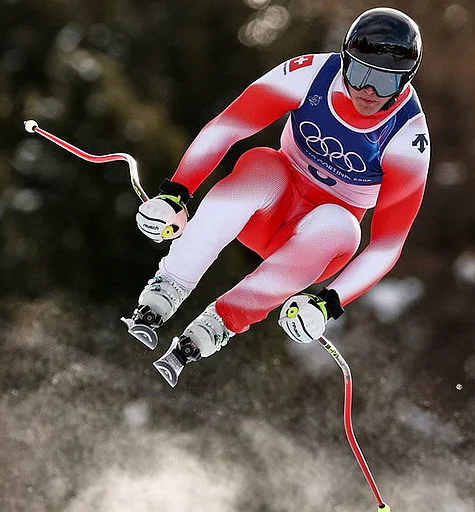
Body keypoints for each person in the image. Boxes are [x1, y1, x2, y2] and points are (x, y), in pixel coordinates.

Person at [122, 7, 430, 387]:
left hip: (311, 244)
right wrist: (175, 193)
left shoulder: (407, 138)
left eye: (386, 82)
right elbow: (228, 126)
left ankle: (219, 323)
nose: (368, 91)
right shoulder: (311, 75)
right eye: (360, 73)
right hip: (268, 207)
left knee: (343, 228)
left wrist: (327, 304)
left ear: (406, 82)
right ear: (344, 60)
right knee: (261, 164)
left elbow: (386, 244)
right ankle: (168, 287)